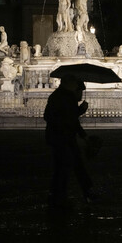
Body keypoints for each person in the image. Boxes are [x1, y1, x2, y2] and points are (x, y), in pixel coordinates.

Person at [44, 74, 96, 208]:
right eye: (76, 85)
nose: (78, 89)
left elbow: (69, 118)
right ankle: (63, 195)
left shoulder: (60, 95)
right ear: (69, 83)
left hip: (60, 136)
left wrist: (77, 112)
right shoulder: (66, 97)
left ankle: (61, 194)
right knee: (67, 166)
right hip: (62, 137)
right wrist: (80, 110)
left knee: (67, 165)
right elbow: (69, 118)